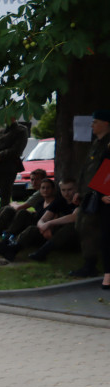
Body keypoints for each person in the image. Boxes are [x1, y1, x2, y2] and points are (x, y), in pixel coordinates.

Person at [0, 178, 77, 261]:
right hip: (49, 232)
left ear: (76, 189)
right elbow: (43, 219)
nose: (66, 193)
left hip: (68, 237)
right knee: (32, 229)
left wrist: (49, 224)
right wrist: (43, 227)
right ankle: (12, 249)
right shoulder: (59, 201)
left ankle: (41, 253)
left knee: (68, 227)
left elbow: (73, 217)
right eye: (63, 190)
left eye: (69, 190)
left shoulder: (79, 202)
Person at [69, 109, 110, 279]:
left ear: (106, 123)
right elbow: (86, 169)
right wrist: (79, 190)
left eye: (96, 122)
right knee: (82, 225)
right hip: (89, 192)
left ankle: (91, 264)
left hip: (101, 193)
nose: (92, 125)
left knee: (90, 226)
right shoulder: (96, 143)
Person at [0, 169, 47, 245]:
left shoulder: (40, 193)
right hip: (36, 219)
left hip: (39, 223)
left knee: (13, 210)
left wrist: (13, 204)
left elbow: (21, 207)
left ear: (43, 180)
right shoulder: (39, 192)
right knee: (7, 210)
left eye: (37, 179)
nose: (34, 182)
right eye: (32, 179)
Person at [0, 117, 29, 215]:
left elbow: (17, 149)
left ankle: (2, 216)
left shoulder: (21, 130)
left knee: (5, 194)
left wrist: (1, 155)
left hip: (8, 167)